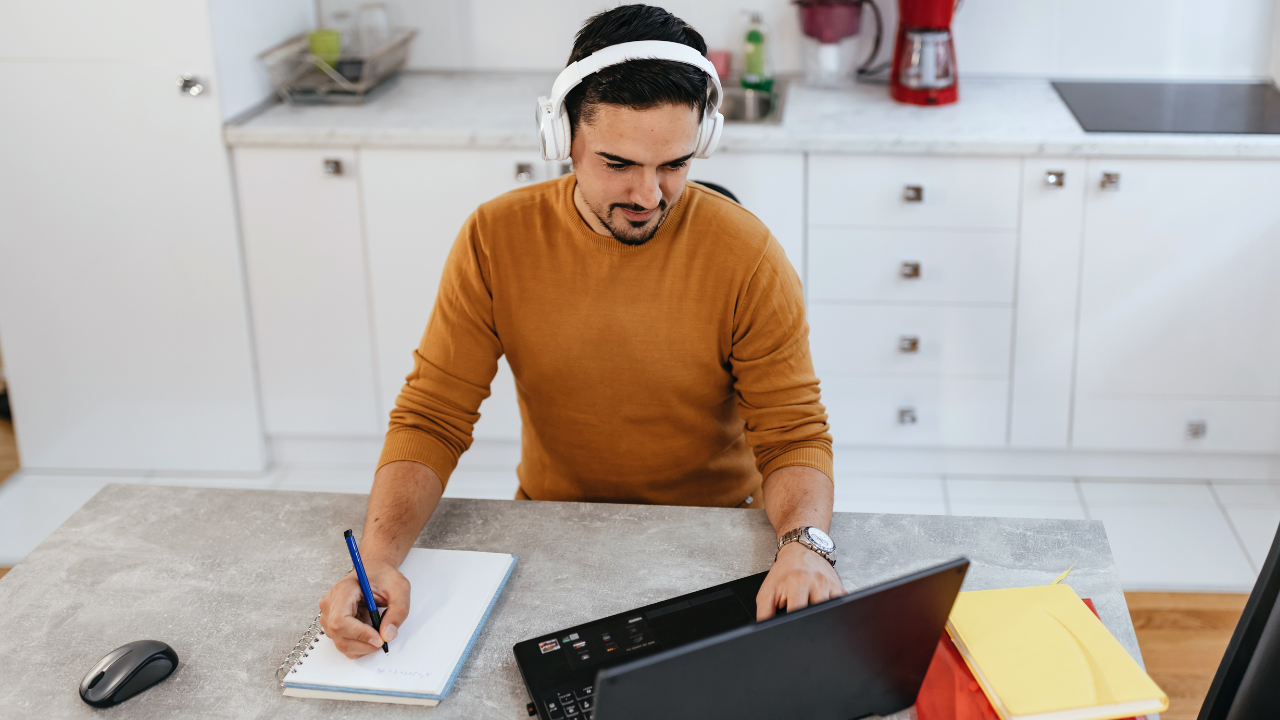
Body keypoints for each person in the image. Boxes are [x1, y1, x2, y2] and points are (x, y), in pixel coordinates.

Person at [320, 4, 842, 659]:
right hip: (549, 531)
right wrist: (377, 559)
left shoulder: (747, 255)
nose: (649, 195)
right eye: (618, 163)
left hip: (714, 539)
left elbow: (792, 429)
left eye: (674, 165)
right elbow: (434, 415)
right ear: (561, 137)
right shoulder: (494, 239)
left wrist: (802, 545)